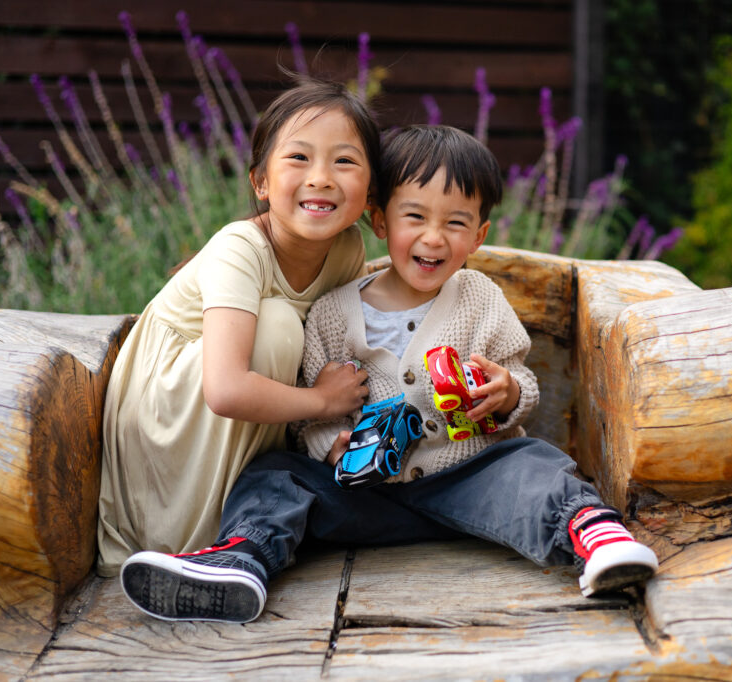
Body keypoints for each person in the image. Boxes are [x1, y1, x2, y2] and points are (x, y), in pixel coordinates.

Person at [119, 125, 659, 623]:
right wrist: (335, 445)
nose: (433, 238)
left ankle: (597, 537)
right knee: (275, 476)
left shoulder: (478, 298)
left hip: (465, 479)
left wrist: (506, 391)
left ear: (479, 234)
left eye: (455, 223)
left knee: (532, 461)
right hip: (364, 497)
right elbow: (313, 415)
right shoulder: (333, 312)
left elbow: (521, 378)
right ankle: (242, 559)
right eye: (415, 218)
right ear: (380, 222)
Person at [95, 77, 378, 578]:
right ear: (261, 182)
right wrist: (323, 403)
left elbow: (339, 354)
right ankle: (197, 541)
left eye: (345, 161)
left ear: (370, 187)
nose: (321, 177)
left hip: (243, 422)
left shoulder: (347, 250)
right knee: (277, 326)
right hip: (169, 413)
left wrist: (339, 431)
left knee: (295, 332)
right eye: (298, 158)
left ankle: (248, 533)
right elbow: (225, 390)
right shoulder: (240, 247)